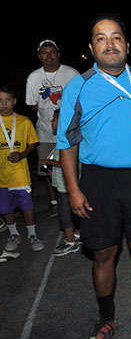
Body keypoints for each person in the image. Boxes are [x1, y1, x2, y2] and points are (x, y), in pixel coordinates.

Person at [57, 14, 131, 339]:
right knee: (103, 253)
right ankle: (106, 318)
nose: (110, 44)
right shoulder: (78, 87)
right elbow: (67, 143)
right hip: (98, 181)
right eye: (101, 38)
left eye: (116, 37)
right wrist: (74, 190)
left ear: (127, 45)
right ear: (91, 48)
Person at [26, 40, 79, 217]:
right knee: (48, 169)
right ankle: (54, 201)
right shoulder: (33, 77)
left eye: (52, 52)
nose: (49, 56)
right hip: (46, 132)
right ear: (39, 56)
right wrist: (49, 109)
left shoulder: (71, 73)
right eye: (44, 53)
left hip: (71, 132)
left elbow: (82, 98)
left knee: (76, 164)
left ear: (58, 54)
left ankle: (77, 194)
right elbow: (32, 104)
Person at [0, 85, 44, 253]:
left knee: (27, 205)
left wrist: (22, 154)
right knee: (5, 208)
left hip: (20, 174)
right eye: (0, 100)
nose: (4, 104)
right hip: (2, 176)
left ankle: (32, 234)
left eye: (8, 100)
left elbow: (33, 142)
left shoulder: (23, 121)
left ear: (14, 102)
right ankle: (13, 234)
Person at [40, 109, 81, 256]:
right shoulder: (67, 138)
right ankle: (78, 235)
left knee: (65, 214)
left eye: (54, 119)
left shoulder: (66, 140)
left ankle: (70, 242)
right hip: (65, 183)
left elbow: (66, 163)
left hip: (66, 185)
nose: (51, 122)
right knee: (75, 212)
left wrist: (47, 161)